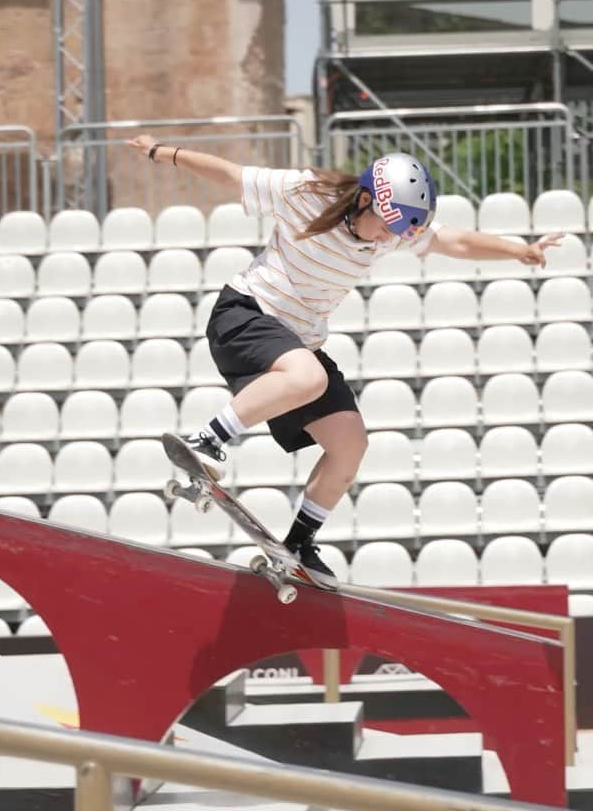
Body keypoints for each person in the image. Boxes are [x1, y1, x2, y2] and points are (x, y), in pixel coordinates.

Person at [127, 136, 562, 587]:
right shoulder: (304, 193)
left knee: (350, 444)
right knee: (308, 376)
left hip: (297, 343)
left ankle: (297, 545)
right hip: (244, 316)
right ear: (364, 199)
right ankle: (206, 441)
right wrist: (164, 152)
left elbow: (456, 243)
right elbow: (229, 174)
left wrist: (518, 249)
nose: (387, 239)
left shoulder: (391, 233)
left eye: (398, 233)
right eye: (385, 226)